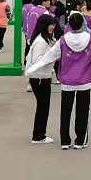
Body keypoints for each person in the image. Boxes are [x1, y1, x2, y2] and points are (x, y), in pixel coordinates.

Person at [27, 12, 91, 150]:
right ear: (83, 24)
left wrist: (31, 70)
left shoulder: (63, 40)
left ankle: (65, 141)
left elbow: (48, 57)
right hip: (84, 82)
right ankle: (80, 141)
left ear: (69, 25)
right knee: (82, 111)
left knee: (65, 112)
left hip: (67, 82)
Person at [24, 15, 57, 143]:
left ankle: (39, 134)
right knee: (43, 107)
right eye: (50, 25)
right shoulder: (41, 42)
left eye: (53, 25)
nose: (53, 27)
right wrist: (52, 58)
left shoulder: (46, 39)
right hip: (40, 78)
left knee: (43, 106)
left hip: (42, 76)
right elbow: (38, 61)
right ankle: (38, 136)